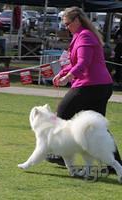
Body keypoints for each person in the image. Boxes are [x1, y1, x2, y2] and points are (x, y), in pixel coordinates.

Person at [46, 7, 122, 172]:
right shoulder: (80, 36)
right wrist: (62, 73)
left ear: (77, 20)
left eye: (67, 23)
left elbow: (83, 63)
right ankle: (114, 164)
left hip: (90, 85)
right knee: (98, 127)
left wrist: (68, 77)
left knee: (62, 113)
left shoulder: (85, 36)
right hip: (101, 86)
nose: (66, 27)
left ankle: (59, 154)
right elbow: (74, 63)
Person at [113, 19, 122, 84]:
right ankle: (117, 80)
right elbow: (115, 40)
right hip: (118, 51)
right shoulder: (119, 30)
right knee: (117, 66)